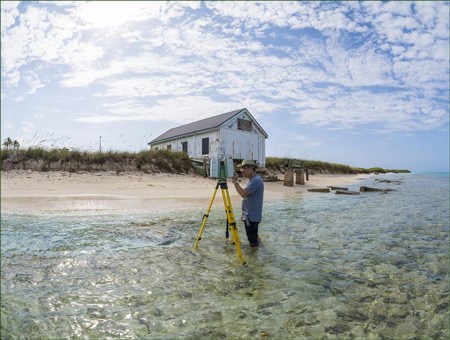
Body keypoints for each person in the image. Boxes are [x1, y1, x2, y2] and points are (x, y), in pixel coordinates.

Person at [232, 160, 264, 247]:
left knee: (253, 242)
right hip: (249, 215)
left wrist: (235, 182)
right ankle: (260, 251)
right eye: (241, 168)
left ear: (251, 168)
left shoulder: (256, 181)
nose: (242, 171)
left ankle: (254, 257)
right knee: (254, 237)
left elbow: (243, 194)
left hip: (252, 217)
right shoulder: (252, 180)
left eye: (244, 168)